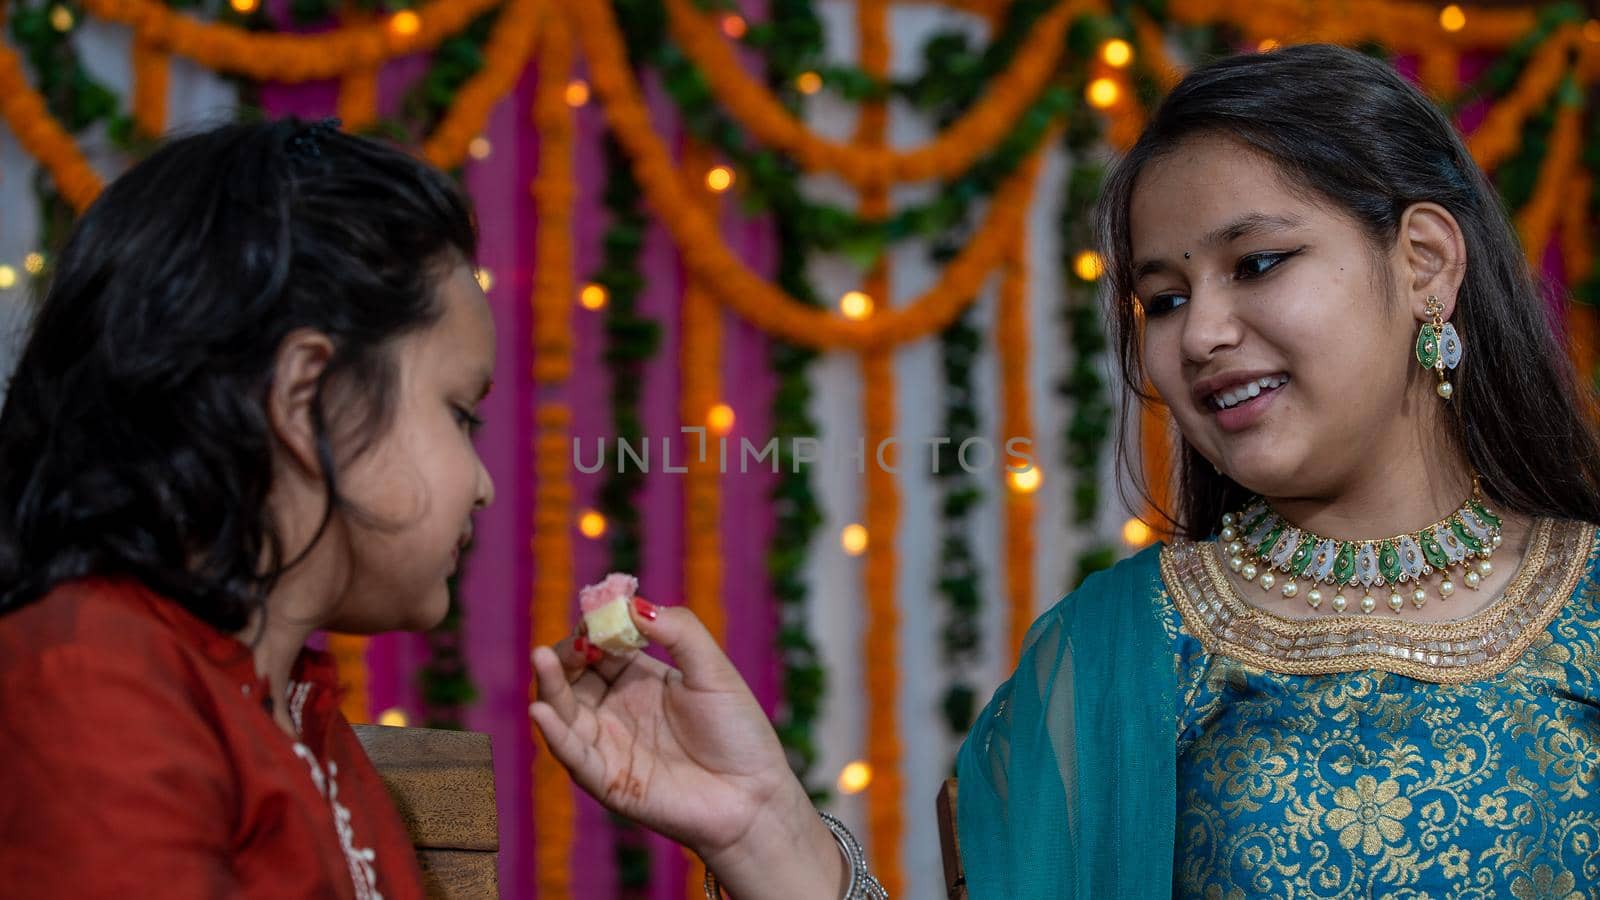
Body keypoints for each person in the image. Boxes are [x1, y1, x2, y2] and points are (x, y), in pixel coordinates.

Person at [529, 42, 1600, 898]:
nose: (1201, 334)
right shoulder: (1126, 642)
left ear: (1422, 263)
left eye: (1257, 263)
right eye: (1165, 297)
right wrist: (762, 828)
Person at [0, 119, 494, 898]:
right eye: (461, 413)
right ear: (306, 401)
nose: (483, 484)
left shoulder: (296, 709)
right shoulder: (91, 681)